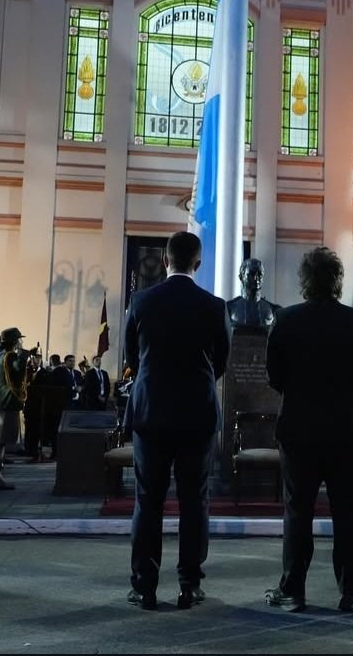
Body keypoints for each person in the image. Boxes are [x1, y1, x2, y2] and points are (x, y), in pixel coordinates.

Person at [264, 246, 353, 613]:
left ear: (305, 281)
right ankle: (352, 592)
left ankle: (292, 590)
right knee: (348, 512)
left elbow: (274, 376)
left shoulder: (286, 320)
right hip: (344, 428)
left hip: (299, 428)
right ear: (338, 281)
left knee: (298, 511)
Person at [124, 231, 231, 611]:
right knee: (194, 502)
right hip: (197, 416)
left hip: (151, 413)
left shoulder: (141, 301)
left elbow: (133, 358)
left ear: (166, 261)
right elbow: (220, 362)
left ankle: (144, 587)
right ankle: (190, 585)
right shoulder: (214, 307)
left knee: (147, 501)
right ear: (198, 264)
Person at [0, 327, 31, 491]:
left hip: (2, 400)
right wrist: (24, 356)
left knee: (0, 441)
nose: (21, 342)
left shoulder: (0, 356)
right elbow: (18, 376)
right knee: (0, 441)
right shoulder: (11, 356)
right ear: (15, 342)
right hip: (8, 401)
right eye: (19, 339)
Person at [226, 258, 281, 329]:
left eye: (260, 275)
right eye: (252, 274)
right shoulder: (228, 308)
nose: (256, 278)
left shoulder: (274, 310)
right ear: (241, 277)